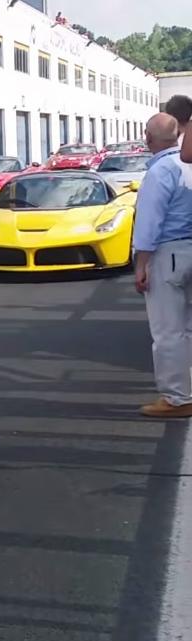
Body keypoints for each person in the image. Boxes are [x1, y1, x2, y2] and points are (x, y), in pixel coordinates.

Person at [133, 113, 192, 418]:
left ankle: (177, 398)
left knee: (169, 331)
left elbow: (149, 223)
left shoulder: (160, 172)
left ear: (149, 138)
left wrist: (141, 264)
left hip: (169, 254)